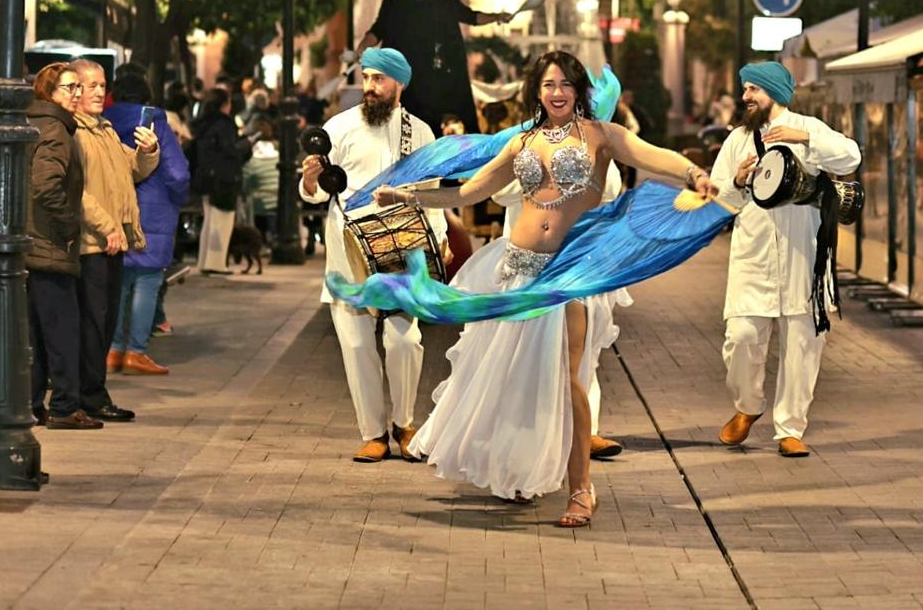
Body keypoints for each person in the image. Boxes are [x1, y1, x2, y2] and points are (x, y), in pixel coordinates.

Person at [373, 50, 720, 527]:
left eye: (566, 84)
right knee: (516, 377)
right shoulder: (522, 142)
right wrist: (406, 194)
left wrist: (694, 174)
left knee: (570, 380)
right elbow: (469, 192)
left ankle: (582, 489)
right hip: (516, 269)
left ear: (579, 90)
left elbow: (652, 155)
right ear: (536, 91)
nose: (557, 93)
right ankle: (519, 470)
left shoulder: (600, 135)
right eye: (548, 84)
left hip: (568, 274)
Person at [300, 48, 449, 464]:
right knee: (355, 344)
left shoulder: (420, 133)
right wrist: (309, 182)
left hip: (402, 251)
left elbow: (432, 193)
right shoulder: (339, 127)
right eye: (366, 77)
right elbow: (315, 193)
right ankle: (373, 433)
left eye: (379, 79)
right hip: (348, 252)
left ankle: (404, 423)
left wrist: (438, 237)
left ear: (399, 84)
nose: (369, 86)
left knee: (405, 341)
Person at [708, 61, 861, 458]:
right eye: (745, 88)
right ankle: (747, 405)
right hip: (753, 256)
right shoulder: (738, 140)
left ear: (774, 92)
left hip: (803, 257)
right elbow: (718, 197)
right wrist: (737, 182)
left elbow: (850, 158)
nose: (745, 96)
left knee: (803, 346)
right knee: (740, 337)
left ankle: (790, 428)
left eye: (753, 89)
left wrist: (805, 138)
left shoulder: (808, 128)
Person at [492, 161, 631, 461]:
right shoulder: (522, 144)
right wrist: (547, 177)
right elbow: (498, 193)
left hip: (581, 264)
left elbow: (611, 189)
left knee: (585, 353)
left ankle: (585, 432)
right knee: (528, 355)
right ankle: (528, 435)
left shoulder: (595, 146)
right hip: (529, 268)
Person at [70, 58, 160, 423]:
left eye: (101, 85)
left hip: (110, 242)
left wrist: (147, 151)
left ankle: (92, 393)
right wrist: (107, 226)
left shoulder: (103, 129)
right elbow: (76, 191)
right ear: (74, 89)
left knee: (103, 322)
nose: (98, 92)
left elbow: (132, 170)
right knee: (93, 323)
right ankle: (89, 396)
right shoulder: (73, 132)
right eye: (90, 85)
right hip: (91, 243)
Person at [359, 0, 513, 137]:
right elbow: (379, 29)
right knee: (401, 128)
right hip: (405, 77)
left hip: (436, 76)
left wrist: (497, 17)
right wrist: (362, 48)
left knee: (436, 128)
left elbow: (470, 16)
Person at [26, 63, 100, 429]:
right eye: (69, 88)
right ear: (50, 93)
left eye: (78, 87)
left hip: (33, 245)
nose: (77, 93)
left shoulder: (36, 123)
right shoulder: (56, 129)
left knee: (38, 335)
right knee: (63, 333)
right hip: (50, 246)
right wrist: (70, 223)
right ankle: (65, 407)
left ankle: (32, 403)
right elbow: (45, 185)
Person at [104, 73, 190, 376]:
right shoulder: (155, 125)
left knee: (119, 282)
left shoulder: (103, 124)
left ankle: (113, 350)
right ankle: (136, 353)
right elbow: (178, 174)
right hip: (154, 214)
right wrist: (177, 198)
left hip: (114, 212)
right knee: (147, 281)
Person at [193, 87, 251, 275]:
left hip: (206, 177)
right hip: (224, 179)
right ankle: (216, 263)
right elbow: (231, 151)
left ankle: (204, 261)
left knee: (209, 220)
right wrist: (246, 145)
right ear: (224, 105)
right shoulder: (225, 125)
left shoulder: (203, 124)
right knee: (222, 221)